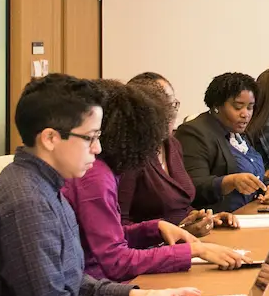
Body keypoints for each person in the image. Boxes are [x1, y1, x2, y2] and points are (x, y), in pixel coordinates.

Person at [0, 74, 198, 296]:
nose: (98, 148)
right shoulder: (27, 203)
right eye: (90, 138)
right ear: (51, 138)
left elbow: (71, 279)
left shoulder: (46, 185)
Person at [62, 80, 248, 282]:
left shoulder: (104, 170)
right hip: (106, 286)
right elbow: (116, 261)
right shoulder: (96, 177)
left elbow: (111, 234)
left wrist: (156, 228)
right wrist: (194, 251)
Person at [117, 72, 231, 237]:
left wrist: (203, 218)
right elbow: (120, 225)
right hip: (153, 252)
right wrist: (175, 233)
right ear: (143, 110)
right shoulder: (130, 154)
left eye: (174, 104)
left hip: (185, 244)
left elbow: (179, 206)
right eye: (167, 106)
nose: (173, 113)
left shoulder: (172, 144)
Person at [176, 72, 269, 211]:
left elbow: (252, 172)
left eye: (250, 107)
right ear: (217, 105)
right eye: (238, 107)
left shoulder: (240, 133)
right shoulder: (194, 133)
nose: (245, 114)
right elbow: (192, 186)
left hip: (250, 212)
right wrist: (229, 182)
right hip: (218, 221)